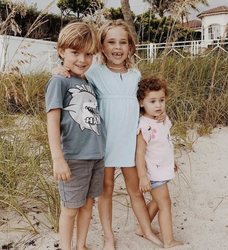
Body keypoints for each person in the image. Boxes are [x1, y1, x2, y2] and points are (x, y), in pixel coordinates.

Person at [52, 19, 162, 250]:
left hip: (129, 142)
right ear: (101, 46)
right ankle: (108, 236)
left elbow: (145, 103)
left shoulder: (135, 74)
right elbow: (72, 76)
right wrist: (58, 69)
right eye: (111, 42)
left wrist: (158, 115)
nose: (117, 47)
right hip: (103, 143)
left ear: (131, 46)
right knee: (106, 189)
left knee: (135, 189)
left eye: (123, 42)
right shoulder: (94, 72)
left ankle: (147, 230)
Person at [45, 22, 105, 250]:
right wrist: (57, 158)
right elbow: (52, 120)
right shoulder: (59, 81)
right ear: (61, 51)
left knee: (88, 204)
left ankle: (81, 245)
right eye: (75, 53)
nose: (82, 60)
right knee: (70, 208)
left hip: (96, 156)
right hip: (73, 157)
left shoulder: (87, 82)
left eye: (88, 54)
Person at [136, 76, 184, 249]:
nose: (158, 105)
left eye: (161, 100)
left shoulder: (161, 119)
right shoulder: (144, 125)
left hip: (163, 168)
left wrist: (172, 161)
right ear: (142, 103)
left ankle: (143, 228)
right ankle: (169, 240)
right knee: (165, 204)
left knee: (157, 202)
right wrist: (142, 176)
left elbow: (165, 142)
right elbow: (140, 153)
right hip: (153, 172)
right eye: (152, 101)